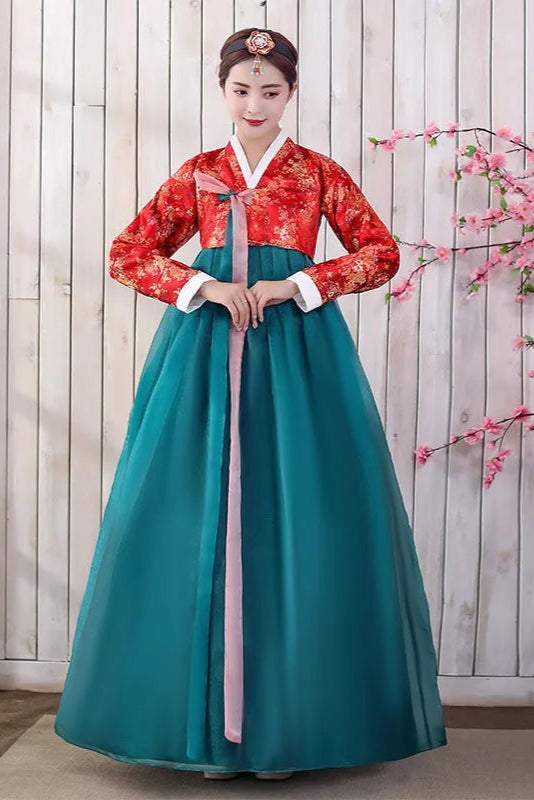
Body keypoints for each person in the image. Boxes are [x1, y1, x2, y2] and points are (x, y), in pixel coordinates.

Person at [54, 27, 448, 782]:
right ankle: (202, 728)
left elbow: (381, 252)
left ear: (291, 92)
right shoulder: (199, 173)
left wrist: (295, 284)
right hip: (204, 354)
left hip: (298, 355)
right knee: (194, 508)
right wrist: (203, 285)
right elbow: (128, 253)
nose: (255, 104)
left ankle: (287, 727)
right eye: (242, 90)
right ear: (223, 90)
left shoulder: (317, 173)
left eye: (270, 91)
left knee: (295, 509)